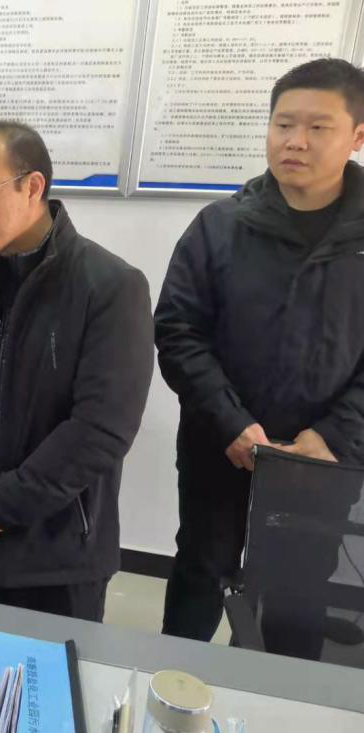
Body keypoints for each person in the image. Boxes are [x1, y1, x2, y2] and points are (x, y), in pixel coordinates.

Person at [156, 58, 364, 644]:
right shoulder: (219, 226)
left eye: (318, 127)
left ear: (356, 135)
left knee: (299, 587)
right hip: (220, 444)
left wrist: (334, 435)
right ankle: (177, 678)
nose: (295, 141)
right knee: (202, 567)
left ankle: (275, 688)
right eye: (283, 124)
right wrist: (231, 422)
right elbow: (177, 330)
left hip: (323, 457)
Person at [0, 121, 154, 621]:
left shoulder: (110, 286)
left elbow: (101, 430)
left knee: (44, 670)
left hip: (55, 556)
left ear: (32, 186)